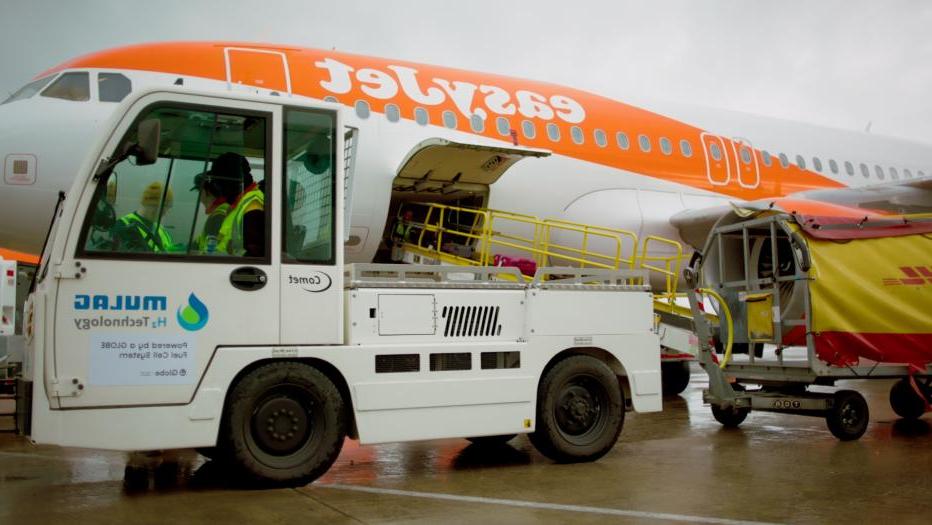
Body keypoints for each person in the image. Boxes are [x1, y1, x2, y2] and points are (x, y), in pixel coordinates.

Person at [208, 152, 265, 257]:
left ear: (231, 181)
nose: (217, 188)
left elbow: (254, 256)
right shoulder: (240, 205)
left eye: (217, 182)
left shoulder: (252, 207)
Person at [112, 181, 177, 253]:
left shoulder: (160, 228)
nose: (166, 213)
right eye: (165, 207)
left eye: (168, 207)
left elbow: (170, 251)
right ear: (150, 203)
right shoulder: (123, 226)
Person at [190, 171, 230, 254]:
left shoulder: (219, 216)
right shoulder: (222, 211)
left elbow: (211, 252)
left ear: (206, 191)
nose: (200, 199)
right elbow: (202, 240)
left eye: (199, 192)